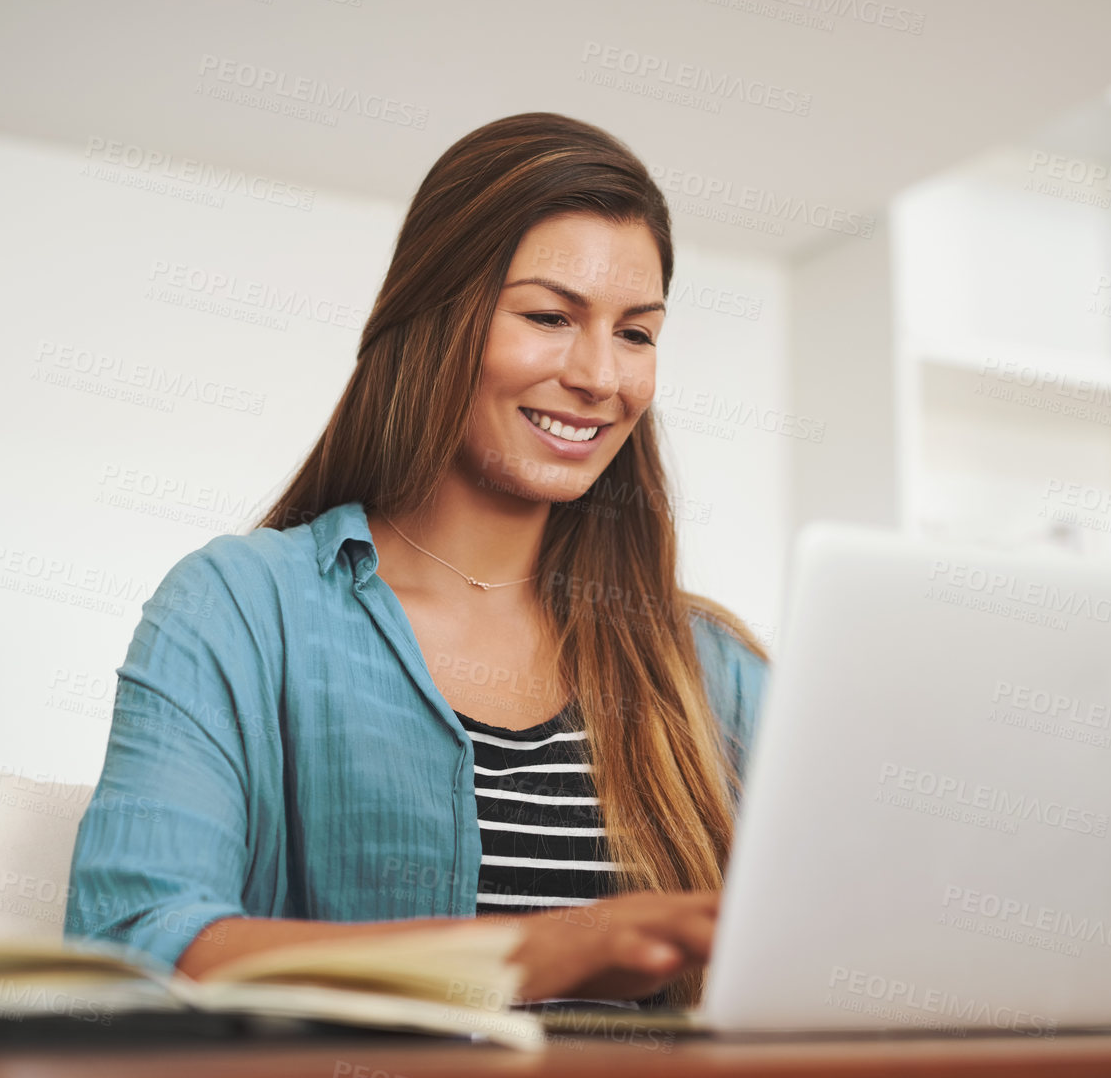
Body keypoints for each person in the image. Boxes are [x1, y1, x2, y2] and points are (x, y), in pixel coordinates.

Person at [65, 112, 770, 1009]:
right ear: (436, 317)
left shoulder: (706, 670)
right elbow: (131, 949)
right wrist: (531, 950)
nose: (601, 376)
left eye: (636, 333)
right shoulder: (240, 608)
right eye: (550, 316)